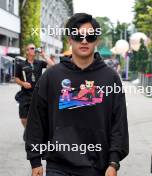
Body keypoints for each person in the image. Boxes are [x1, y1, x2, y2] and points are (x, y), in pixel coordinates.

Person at [25, 13, 129, 176]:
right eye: (78, 36)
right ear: (69, 39)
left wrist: (114, 162)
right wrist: (35, 159)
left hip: (96, 167)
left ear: (97, 40)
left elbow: (119, 122)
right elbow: (36, 119)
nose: (84, 41)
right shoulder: (51, 76)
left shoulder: (110, 78)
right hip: (58, 166)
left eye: (90, 36)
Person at [15, 43, 55, 128]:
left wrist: (44, 55)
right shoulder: (21, 64)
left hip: (37, 93)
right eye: (32, 48)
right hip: (25, 94)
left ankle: (35, 134)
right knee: (23, 118)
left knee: (39, 117)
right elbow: (16, 78)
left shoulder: (39, 63)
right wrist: (23, 83)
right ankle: (27, 131)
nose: (34, 50)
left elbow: (53, 66)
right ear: (27, 51)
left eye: (34, 48)